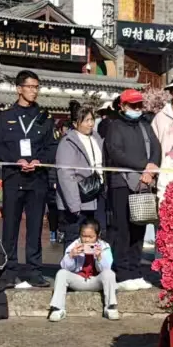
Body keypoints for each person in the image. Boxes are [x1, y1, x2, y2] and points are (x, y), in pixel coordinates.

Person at [0, 71, 56, 288]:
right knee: (10, 226)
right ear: (19, 88)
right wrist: (15, 159)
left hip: (37, 178)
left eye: (36, 87)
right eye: (29, 86)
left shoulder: (45, 117)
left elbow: (51, 146)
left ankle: (34, 270)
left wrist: (40, 160)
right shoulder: (5, 116)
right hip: (13, 176)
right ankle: (9, 269)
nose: (33, 91)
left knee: (35, 226)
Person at [102, 87, 162, 290]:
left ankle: (136, 270)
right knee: (122, 229)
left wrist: (151, 168)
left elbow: (156, 148)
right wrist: (142, 166)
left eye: (139, 104)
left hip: (145, 182)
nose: (137, 108)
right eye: (133, 105)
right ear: (122, 105)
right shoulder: (114, 126)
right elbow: (116, 153)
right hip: (121, 183)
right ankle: (122, 271)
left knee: (140, 226)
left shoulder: (146, 125)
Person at [48, 218, 120, 322]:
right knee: (61, 273)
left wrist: (100, 257)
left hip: (96, 281)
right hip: (79, 280)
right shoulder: (74, 245)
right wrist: (71, 256)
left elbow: (106, 269)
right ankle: (58, 309)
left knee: (109, 274)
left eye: (90, 237)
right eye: (83, 236)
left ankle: (110, 308)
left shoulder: (104, 246)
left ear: (98, 235)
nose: (86, 240)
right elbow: (64, 267)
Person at [54, 102, 106, 244]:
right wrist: (74, 204)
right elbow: (66, 175)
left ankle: (90, 266)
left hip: (95, 196)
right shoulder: (68, 142)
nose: (90, 124)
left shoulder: (96, 138)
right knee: (74, 238)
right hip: (78, 199)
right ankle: (71, 266)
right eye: (86, 121)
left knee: (94, 239)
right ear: (76, 123)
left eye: (92, 120)